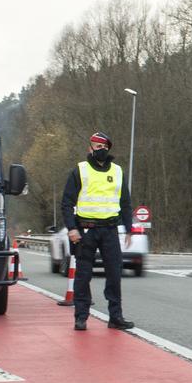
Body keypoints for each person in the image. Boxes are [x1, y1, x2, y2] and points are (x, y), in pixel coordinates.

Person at [59, 132, 135, 331]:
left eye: (104, 147)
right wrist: (72, 228)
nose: (101, 150)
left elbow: (125, 203)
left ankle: (115, 317)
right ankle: (81, 317)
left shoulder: (118, 171)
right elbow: (67, 203)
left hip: (110, 230)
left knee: (114, 275)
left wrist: (128, 229)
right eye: (97, 146)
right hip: (85, 231)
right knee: (83, 276)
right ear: (89, 148)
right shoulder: (79, 171)